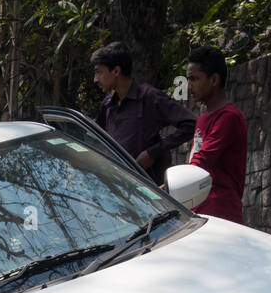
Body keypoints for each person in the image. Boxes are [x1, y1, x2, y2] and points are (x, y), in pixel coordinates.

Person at [91, 41, 195, 185]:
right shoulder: (108, 104)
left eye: (99, 72)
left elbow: (190, 124)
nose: (95, 79)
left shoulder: (149, 97)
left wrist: (152, 153)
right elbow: (96, 138)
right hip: (114, 189)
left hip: (145, 194)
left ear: (116, 71)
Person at [185, 46, 248, 224]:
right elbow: (195, 160)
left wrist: (164, 190)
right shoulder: (203, 119)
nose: (189, 87)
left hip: (222, 215)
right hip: (199, 211)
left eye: (194, 79)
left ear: (213, 79)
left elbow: (201, 163)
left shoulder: (229, 117)